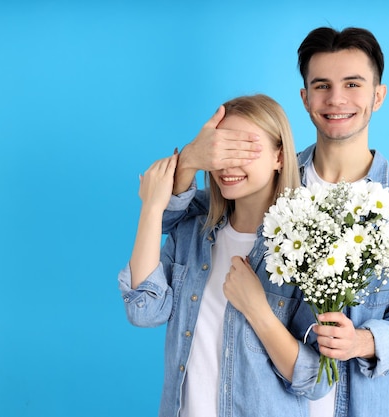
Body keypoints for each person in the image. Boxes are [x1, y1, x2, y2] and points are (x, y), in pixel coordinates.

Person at [161, 27, 389, 417]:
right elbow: (181, 217)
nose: (337, 99)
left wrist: (360, 341)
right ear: (306, 99)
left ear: (378, 95)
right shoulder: (271, 174)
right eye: (322, 85)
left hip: (359, 404)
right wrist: (190, 159)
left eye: (353, 84)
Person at [118, 94, 327, 417]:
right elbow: (145, 312)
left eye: (244, 149)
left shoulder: (308, 249)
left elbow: (316, 380)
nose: (228, 165)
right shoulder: (192, 230)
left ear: (280, 157)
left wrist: (258, 310)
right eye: (220, 150)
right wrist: (152, 206)